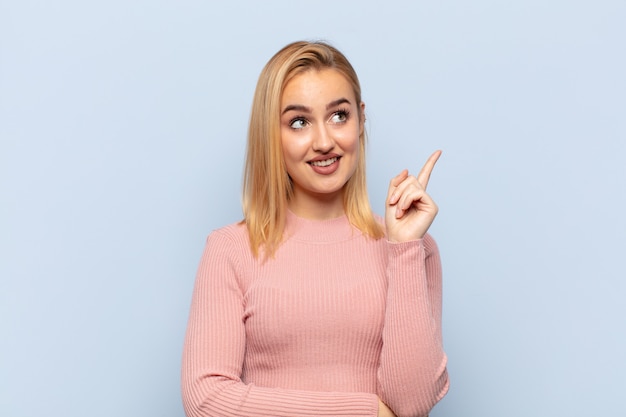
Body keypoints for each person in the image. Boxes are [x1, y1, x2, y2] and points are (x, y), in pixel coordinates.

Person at [181, 40, 449, 417]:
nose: (324, 142)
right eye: (299, 122)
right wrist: (362, 412)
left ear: (361, 118)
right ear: (271, 134)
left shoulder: (414, 249)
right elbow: (207, 398)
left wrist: (403, 249)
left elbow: (413, 404)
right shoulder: (231, 249)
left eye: (339, 116)